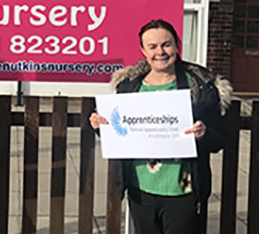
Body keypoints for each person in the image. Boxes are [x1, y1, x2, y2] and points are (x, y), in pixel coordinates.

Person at [89, 19, 232, 234]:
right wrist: (101, 126)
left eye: (166, 44)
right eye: (152, 46)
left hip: (183, 189)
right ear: (143, 50)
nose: (160, 52)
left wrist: (204, 133)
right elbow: (123, 132)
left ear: (176, 45)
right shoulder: (130, 87)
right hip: (141, 187)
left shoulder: (200, 87)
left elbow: (220, 138)